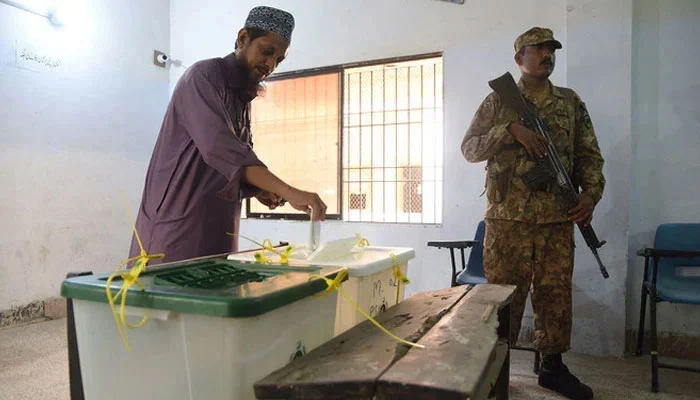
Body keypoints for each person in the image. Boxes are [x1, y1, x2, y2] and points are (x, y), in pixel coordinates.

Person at [461, 27, 605, 400]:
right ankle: (496, 370)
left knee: (555, 295)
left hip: (557, 219)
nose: (546, 55)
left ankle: (552, 368)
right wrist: (509, 131)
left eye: (551, 49)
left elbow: (590, 156)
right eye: (537, 49)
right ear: (518, 58)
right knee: (504, 298)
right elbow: (469, 148)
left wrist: (590, 196)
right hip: (508, 220)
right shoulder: (498, 101)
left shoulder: (570, 102)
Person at [129, 6, 326, 264]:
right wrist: (289, 191)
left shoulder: (241, 97)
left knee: (215, 298)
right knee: (171, 298)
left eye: (278, 60)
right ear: (243, 38)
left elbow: (226, 166)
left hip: (217, 232)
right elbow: (221, 149)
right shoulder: (203, 78)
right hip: (176, 232)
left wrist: (258, 189)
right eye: (267, 52)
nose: (270, 64)